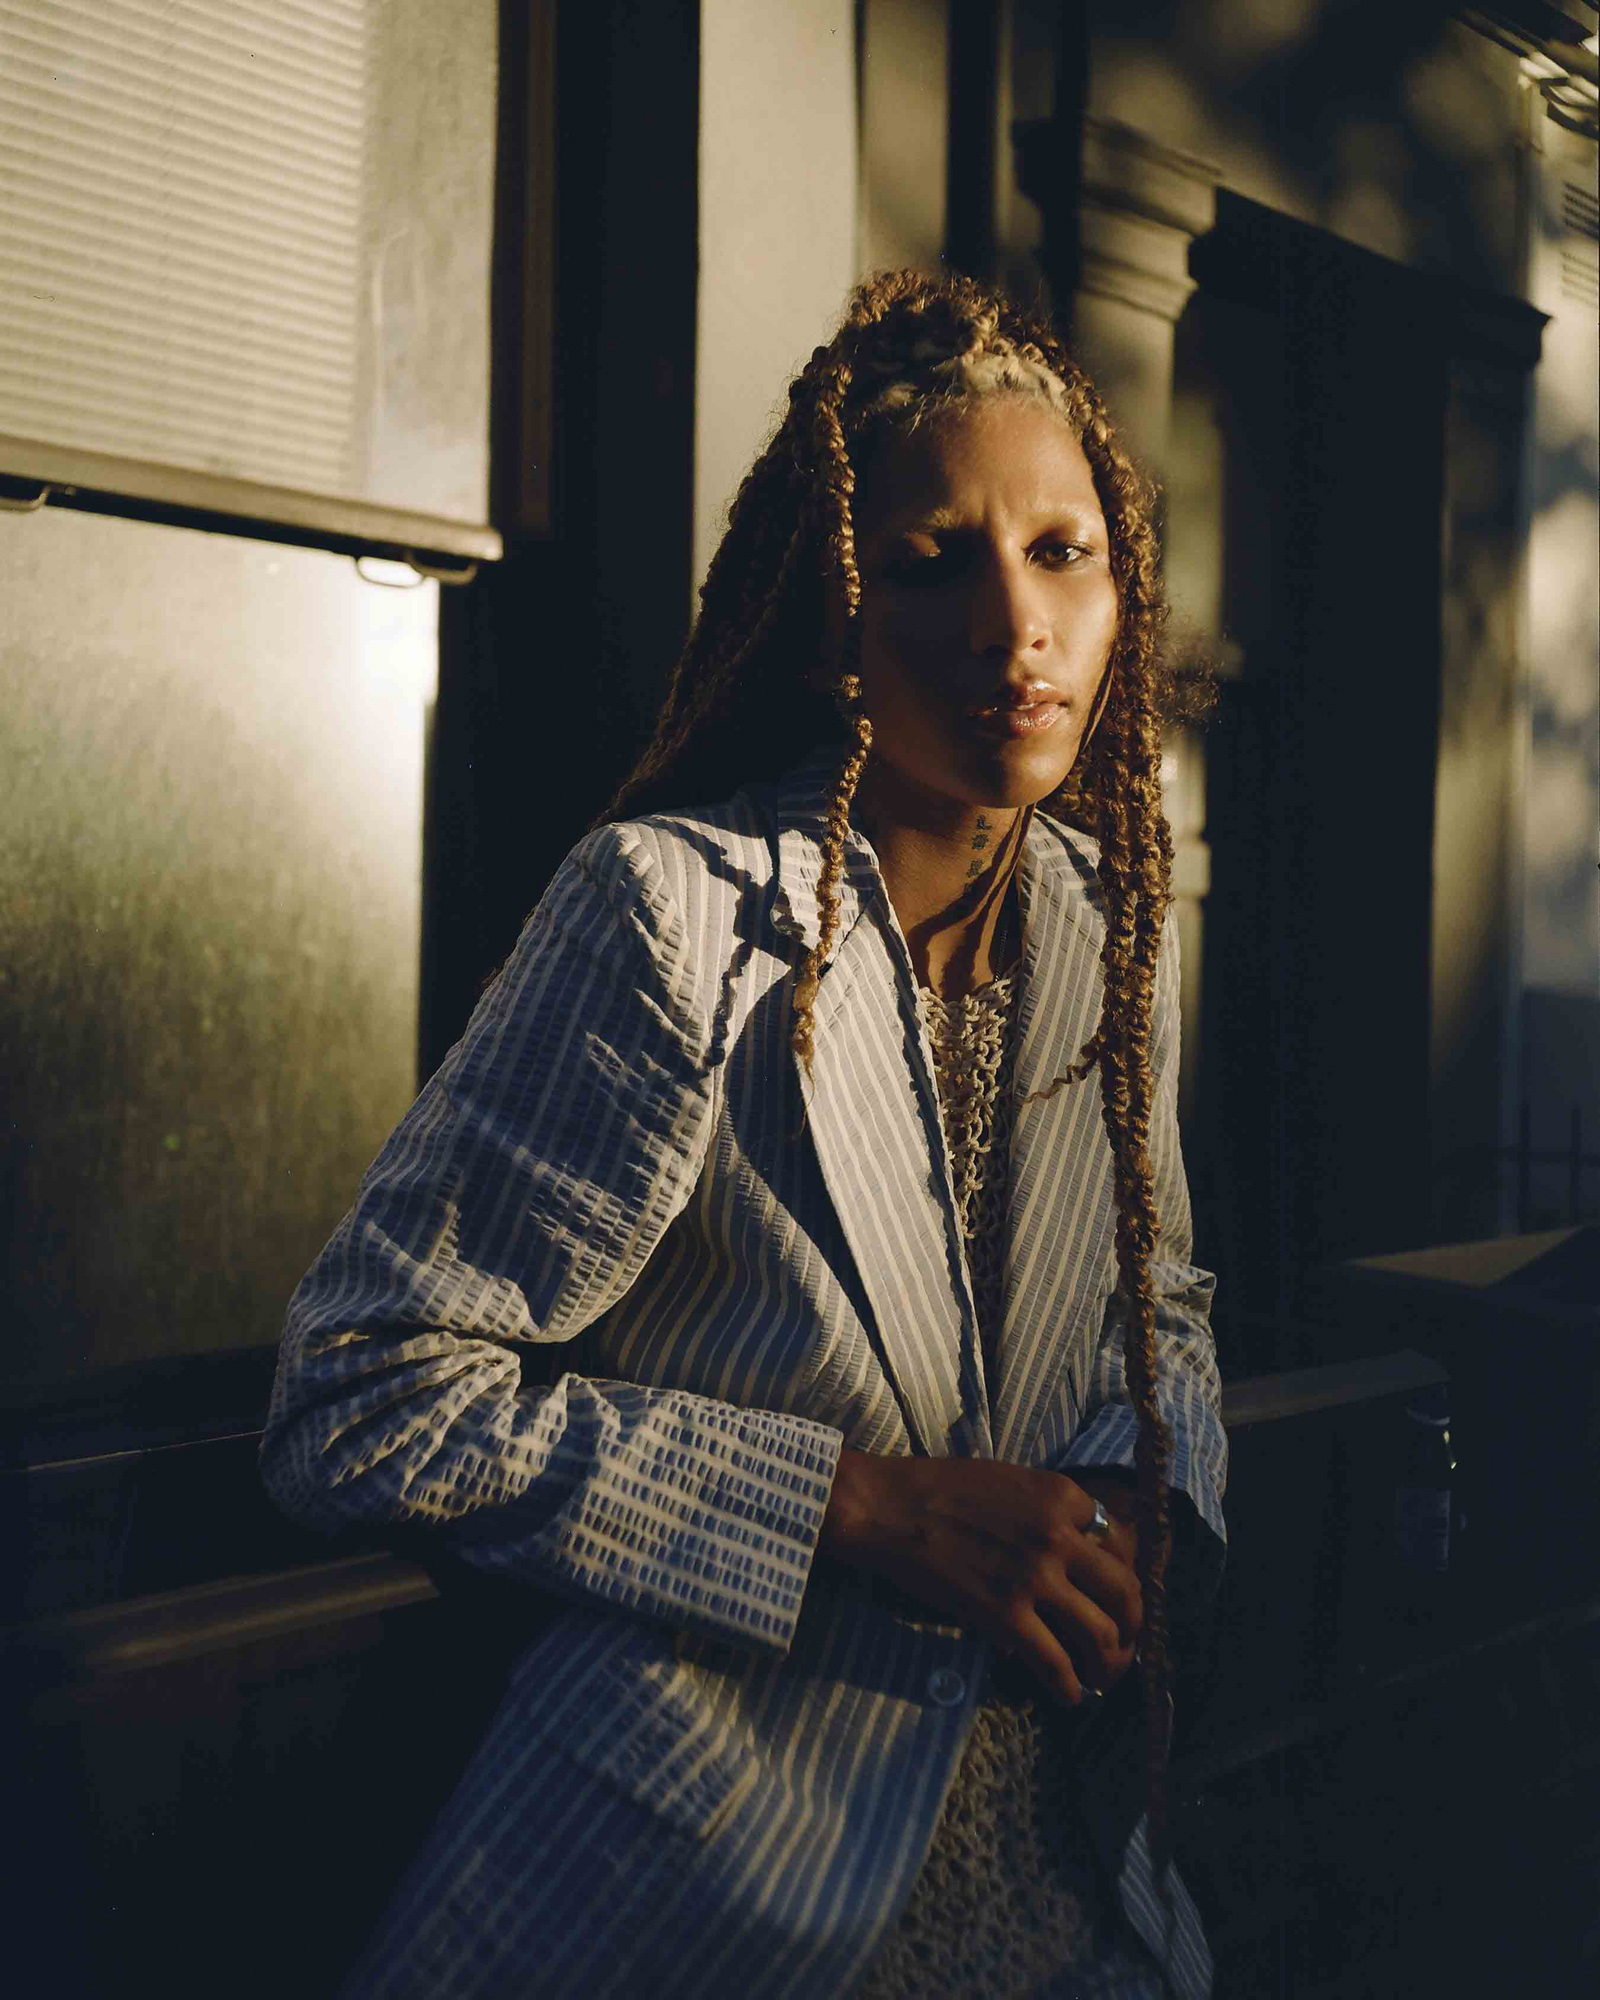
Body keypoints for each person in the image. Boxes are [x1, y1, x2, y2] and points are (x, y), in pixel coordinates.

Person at [261, 269, 1228, 1999]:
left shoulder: (1110, 928)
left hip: (1066, 1866)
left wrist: (1135, 1490)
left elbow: (1158, 1304)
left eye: (1061, 552)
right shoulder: (673, 919)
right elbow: (362, 1395)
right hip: (700, 1885)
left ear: (1122, 590)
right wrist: (856, 1506)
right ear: (828, 622)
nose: (1016, 624)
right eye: (931, 560)